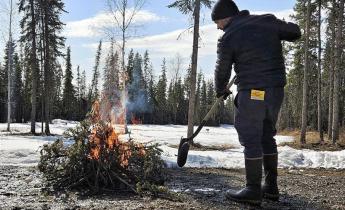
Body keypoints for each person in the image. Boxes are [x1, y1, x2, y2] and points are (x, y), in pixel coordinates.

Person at [211, 0, 301, 205]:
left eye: (217, 22)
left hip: (252, 92)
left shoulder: (228, 37)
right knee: (266, 135)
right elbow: (295, 32)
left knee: (251, 137)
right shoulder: (267, 21)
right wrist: (272, 28)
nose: (217, 26)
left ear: (226, 17)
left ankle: (252, 190)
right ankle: (270, 188)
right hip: (276, 92)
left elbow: (222, 68)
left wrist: (220, 89)